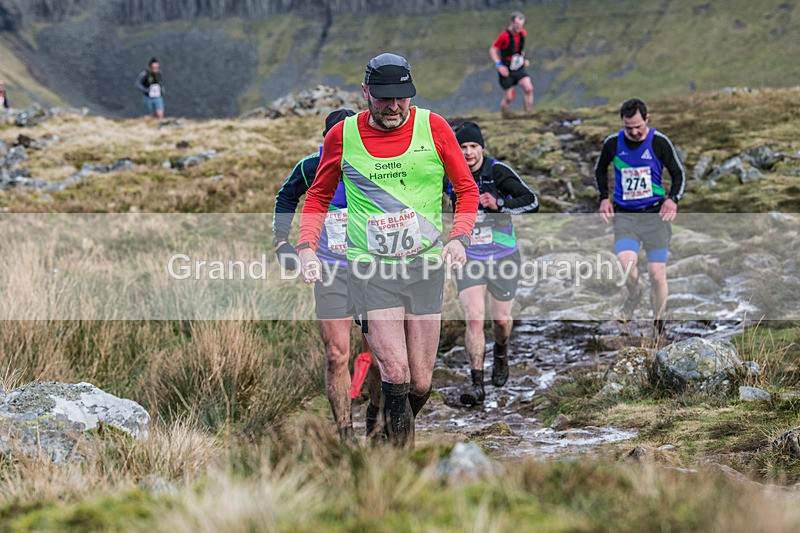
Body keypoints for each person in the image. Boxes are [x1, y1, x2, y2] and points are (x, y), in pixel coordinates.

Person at [297, 53, 479, 448]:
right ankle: (399, 472)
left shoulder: (434, 128)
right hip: (371, 270)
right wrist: (306, 247)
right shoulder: (342, 136)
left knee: (420, 381)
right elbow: (317, 197)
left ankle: (381, 426)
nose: (394, 106)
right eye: (383, 98)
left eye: (402, 97)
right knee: (394, 372)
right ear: (366, 93)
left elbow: (466, 190)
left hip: (425, 267)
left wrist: (460, 237)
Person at [273, 108, 380, 443]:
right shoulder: (310, 166)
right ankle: (345, 435)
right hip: (329, 271)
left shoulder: (375, 164)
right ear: (327, 140)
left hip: (374, 272)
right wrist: (281, 241)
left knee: (377, 359)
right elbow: (286, 196)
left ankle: (376, 421)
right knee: (336, 356)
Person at [447, 121, 539, 406]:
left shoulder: (497, 171)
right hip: (469, 255)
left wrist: (500, 205)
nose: (468, 152)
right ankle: (477, 384)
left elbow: (532, 201)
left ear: (482, 148)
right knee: (474, 316)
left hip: (503, 256)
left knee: (500, 321)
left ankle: (501, 349)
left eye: (473, 146)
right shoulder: (450, 174)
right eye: (462, 147)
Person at [594, 98, 686, 334]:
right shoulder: (613, 143)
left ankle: (659, 322)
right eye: (628, 128)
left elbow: (678, 174)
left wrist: (672, 199)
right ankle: (634, 295)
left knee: (657, 275)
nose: (634, 132)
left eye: (638, 127)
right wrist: (604, 197)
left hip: (655, 216)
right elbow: (599, 169)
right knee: (627, 268)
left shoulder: (659, 142)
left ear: (647, 119)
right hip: (625, 216)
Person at [489, 11, 534, 113]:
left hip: (518, 67)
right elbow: (492, 49)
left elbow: (519, 49)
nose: (519, 27)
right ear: (512, 22)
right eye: (517, 25)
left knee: (529, 88)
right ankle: (505, 117)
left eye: (521, 25)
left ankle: (528, 114)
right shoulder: (504, 36)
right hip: (506, 69)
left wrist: (524, 59)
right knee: (509, 97)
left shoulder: (523, 33)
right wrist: (499, 65)